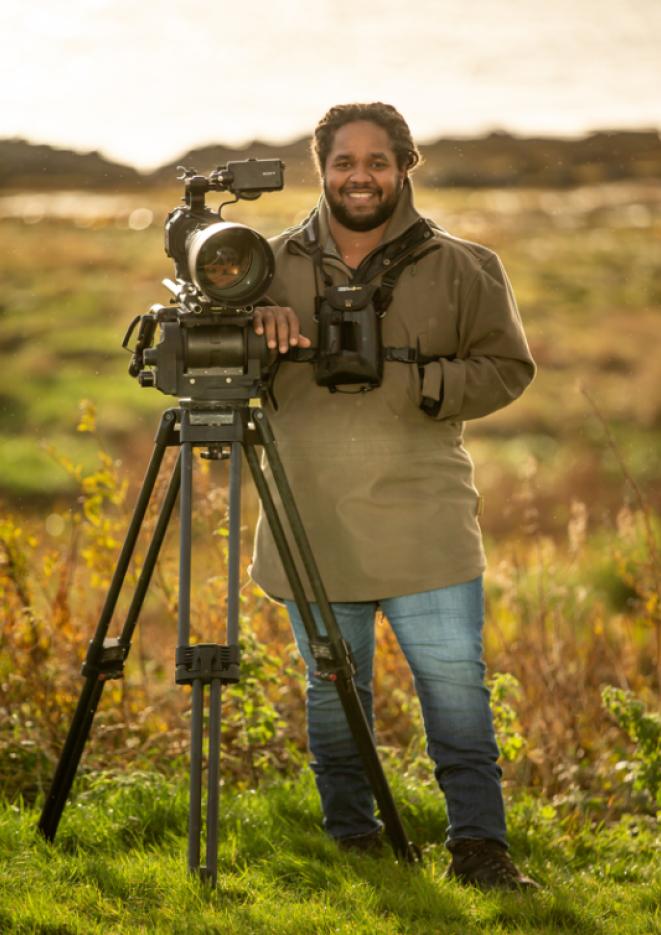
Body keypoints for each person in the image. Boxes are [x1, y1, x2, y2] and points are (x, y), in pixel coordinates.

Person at [249, 103, 538, 890]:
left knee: (455, 693)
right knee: (333, 690)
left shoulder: (465, 265)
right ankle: (353, 840)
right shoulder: (260, 266)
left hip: (425, 514)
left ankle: (480, 849)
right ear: (322, 169)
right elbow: (206, 360)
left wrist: (419, 380)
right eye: (344, 162)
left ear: (405, 165)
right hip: (310, 517)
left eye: (377, 161)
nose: (360, 177)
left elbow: (508, 368)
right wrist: (254, 327)